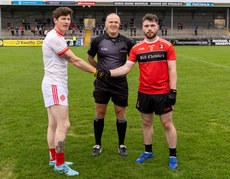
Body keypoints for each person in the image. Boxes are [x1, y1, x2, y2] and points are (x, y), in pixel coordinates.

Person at [95, 13, 178, 169]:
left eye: (152, 25)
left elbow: (172, 69)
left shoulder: (167, 46)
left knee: (167, 124)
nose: (149, 28)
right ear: (143, 28)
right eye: (146, 26)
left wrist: (173, 91)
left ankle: (172, 155)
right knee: (146, 123)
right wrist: (108, 73)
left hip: (162, 92)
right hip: (144, 92)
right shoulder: (137, 48)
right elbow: (127, 67)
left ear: (157, 27)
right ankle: (148, 152)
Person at [42, 7, 95, 176]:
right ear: (55, 20)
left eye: (68, 19)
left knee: (53, 124)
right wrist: (96, 71)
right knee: (64, 124)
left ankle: (53, 159)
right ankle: (59, 163)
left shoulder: (56, 36)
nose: (66, 21)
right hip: (55, 85)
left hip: (53, 84)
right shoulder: (54, 38)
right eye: (63, 18)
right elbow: (74, 60)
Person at [87, 13, 134, 157]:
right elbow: (90, 57)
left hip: (120, 84)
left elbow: (131, 61)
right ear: (106, 24)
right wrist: (100, 70)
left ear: (120, 24)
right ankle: (97, 144)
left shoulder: (127, 42)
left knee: (120, 113)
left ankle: (121, 144)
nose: (113, 24)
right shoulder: (97, 41)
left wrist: (118, 72)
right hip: (102, 84)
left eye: (116, 22)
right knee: (100, 113)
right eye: (111, 22)